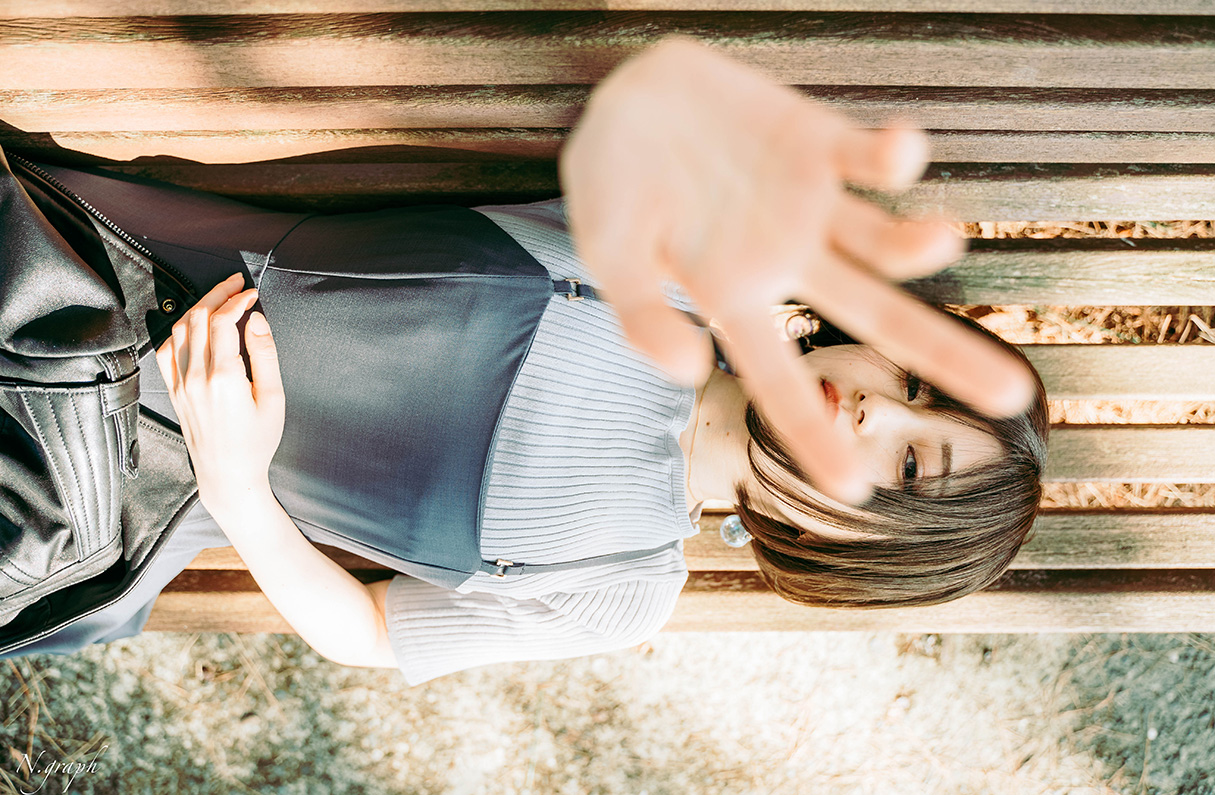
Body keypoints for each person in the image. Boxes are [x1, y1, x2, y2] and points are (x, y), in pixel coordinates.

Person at [7, 38, 1047, 684]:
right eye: (914, 385)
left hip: (99, 493)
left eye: (909, 463)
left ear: (855, 549)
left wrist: (237, 489)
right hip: (81, 267)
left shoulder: (624, 588)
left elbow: (369, 631)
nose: (875, 412)